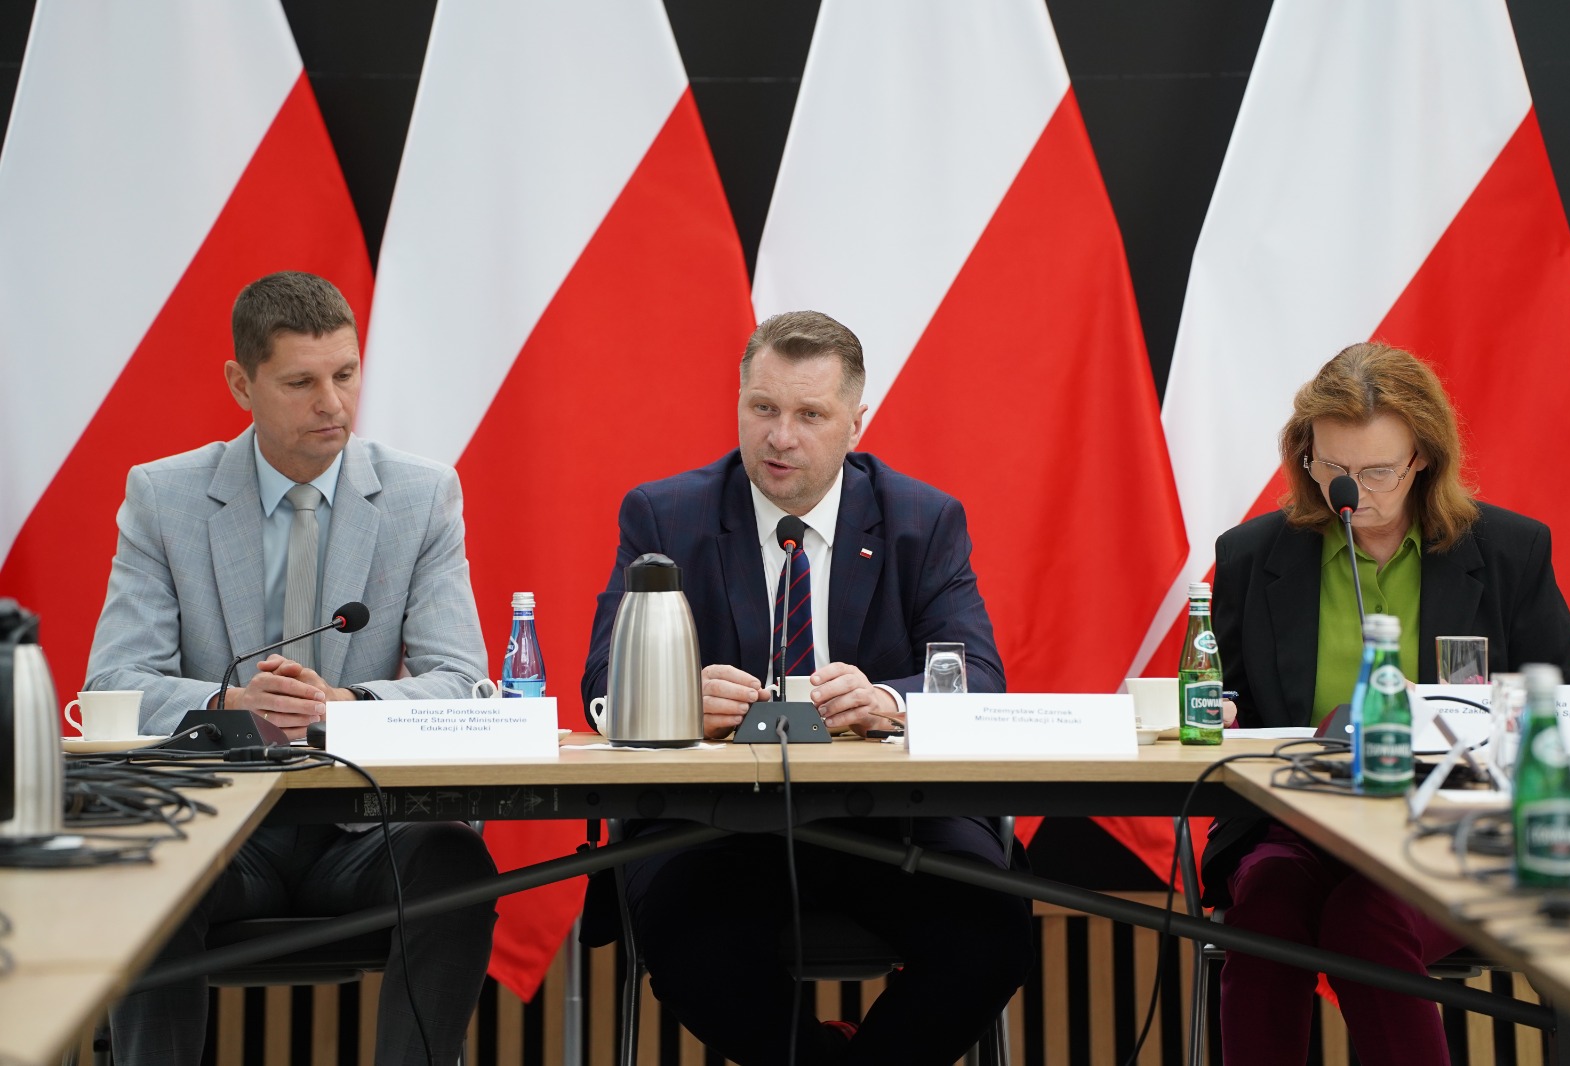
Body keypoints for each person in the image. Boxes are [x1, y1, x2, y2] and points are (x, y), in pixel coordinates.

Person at [581, 311, 1032, 1065]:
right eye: (763, 408)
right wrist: (673, 699)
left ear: (857, 422)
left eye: (810, 415)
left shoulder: (922, 520)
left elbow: (979, 679)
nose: (780, 437)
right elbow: (602, 684)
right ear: (738, 403)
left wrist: (888, 702)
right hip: (714, 826)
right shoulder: (666, 515)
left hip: (897, 822)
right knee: (695, 948)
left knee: (990, 936)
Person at [85, 271, 499, 1065]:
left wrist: (343, 704)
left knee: (455, 862)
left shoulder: (421, 495)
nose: (332, 404)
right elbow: (113, 683)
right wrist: (233, 704)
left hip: (367, 830)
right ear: (242, 384)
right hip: (218, 833)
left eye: (345, 375)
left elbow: (463, 681)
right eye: (301, 383)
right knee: (148, 871)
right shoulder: (165, 498)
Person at [1204, 341, 1570, 1065]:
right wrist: (1218, 714)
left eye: (1378, 471)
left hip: (1456, 832)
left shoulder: (1509, 552)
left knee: (1366, 920)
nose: (1350, 491)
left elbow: (1563, 710)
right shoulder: (1252, 557)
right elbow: (1229, 698)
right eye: (1331, 468)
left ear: (1423, 461)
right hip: (1299, 824)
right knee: (1267, 909)